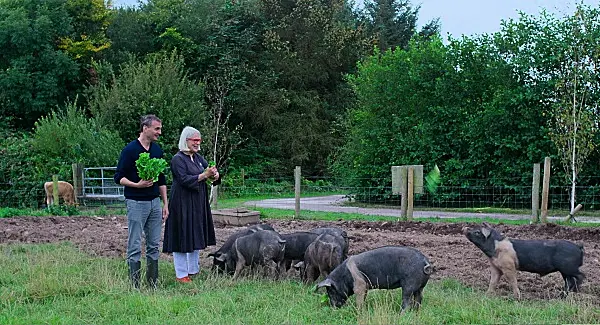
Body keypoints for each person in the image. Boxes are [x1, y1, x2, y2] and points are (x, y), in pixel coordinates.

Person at [114, 114, 169, 289]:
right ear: (145, 128)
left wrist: (165, 203)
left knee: (153, 244)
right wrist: (137, 185)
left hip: (154, 203)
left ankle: (152, 284)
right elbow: (118, 177)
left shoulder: (156, 150)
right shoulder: (130, 150)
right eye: (156, 129)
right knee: (135, 244)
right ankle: (135, 285)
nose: (159, 132)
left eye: (160, 129)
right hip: (136, 202)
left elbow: (161, 180)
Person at [163, 126, 220, 283]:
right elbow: (184, 180)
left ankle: (193, 270)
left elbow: (208, 173)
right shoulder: (177, 159)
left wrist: (214, 175)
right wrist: (204, 175)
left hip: (197, 204)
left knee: (194, 234)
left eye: (199, 140)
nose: (197, 143)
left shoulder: (198, 158)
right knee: (181, 236)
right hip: (181, 204)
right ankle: (181, 274)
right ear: (185, 140)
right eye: (194, 140)